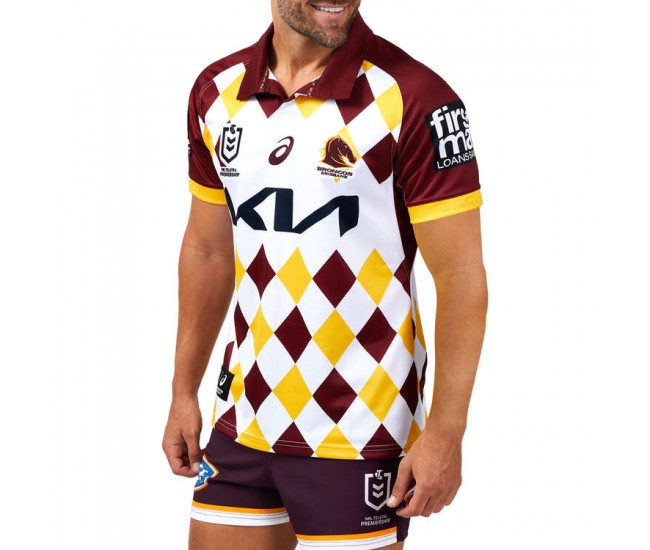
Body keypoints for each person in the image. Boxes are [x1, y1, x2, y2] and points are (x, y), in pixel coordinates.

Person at [162, 1, 488, 548]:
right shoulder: (216, 92)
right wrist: (182, 390)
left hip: (362, 427)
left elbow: (460, 274)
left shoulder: (416, 96)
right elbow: (206, 250)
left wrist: (447, 431)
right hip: (243, 416)